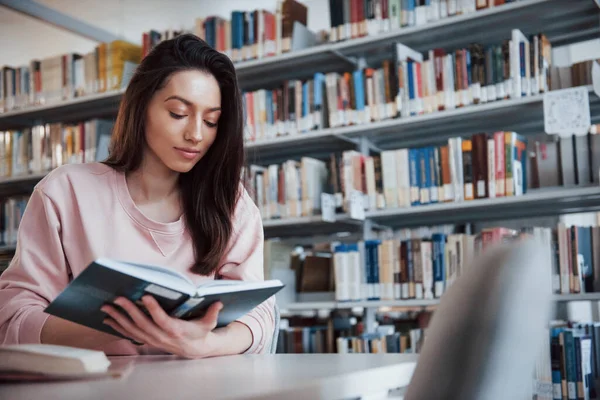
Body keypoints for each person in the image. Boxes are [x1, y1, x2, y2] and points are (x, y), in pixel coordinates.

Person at [0, 34, 274, 358]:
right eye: (178, 113)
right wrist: (115, 326)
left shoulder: (232, 204)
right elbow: (13, 320)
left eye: (211, 120)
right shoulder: (65, 192)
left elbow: (259, 316)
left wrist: (203, 344)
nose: (196, 135)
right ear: (141, 106)